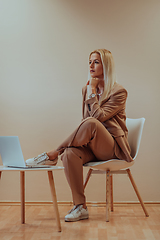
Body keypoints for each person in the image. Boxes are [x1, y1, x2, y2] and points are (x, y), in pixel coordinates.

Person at [26, 49, 133, 222]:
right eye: (90, 61)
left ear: (106, 65)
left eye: (96, 62)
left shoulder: (119, 92)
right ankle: (80, 206)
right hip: (92, 144)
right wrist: (90, 90)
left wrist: (92, 90)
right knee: (69, 154)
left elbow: (96, 118)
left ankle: (52, 153)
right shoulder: (86, 89)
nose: (91, 65)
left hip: (111, 148)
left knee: (91, 123)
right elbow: (85, 120)